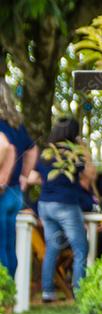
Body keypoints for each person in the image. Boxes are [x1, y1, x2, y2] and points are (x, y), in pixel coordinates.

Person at [36, 117, 96, 300]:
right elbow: (91, 175)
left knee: (52, 248)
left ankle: (47, 292)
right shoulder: (73, 155)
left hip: (45, 204)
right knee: (80, 249)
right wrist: (84, 150)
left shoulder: (47, 153)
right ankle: (79, 292)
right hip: (66, 205)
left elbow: (37, 176)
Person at [0, 82, 38, 279]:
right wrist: (24, 174)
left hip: (2, 190)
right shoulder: (16, 124)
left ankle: (2, 292)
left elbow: (5, 147)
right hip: (15, 192)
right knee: (8, 243)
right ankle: (8, 291)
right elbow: (32, 150)